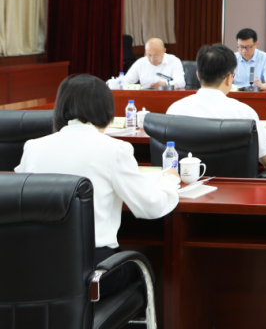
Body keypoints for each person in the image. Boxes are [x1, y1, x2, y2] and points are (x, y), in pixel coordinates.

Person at [15, 74, 180, 298]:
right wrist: (169, 181)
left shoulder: (33, 147)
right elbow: (151, 207)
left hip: (37, 268)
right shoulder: (115, 149)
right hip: (94, 272)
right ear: (105, 110)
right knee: (142, 271)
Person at [166, 43, 266, 178]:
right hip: (234, 189)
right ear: (229, 78)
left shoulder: (174, 110)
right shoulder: (244, 113)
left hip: (187, 186)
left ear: (198, 76)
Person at [122, 38, 186, 89]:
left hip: (167, 96)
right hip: (145, 96)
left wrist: (166, 84)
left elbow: (181, 83)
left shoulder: (174, 61)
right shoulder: (140, 63)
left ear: (164, 51)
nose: (152, 59)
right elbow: (125, 82)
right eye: (149, 55)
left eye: (156, 56)